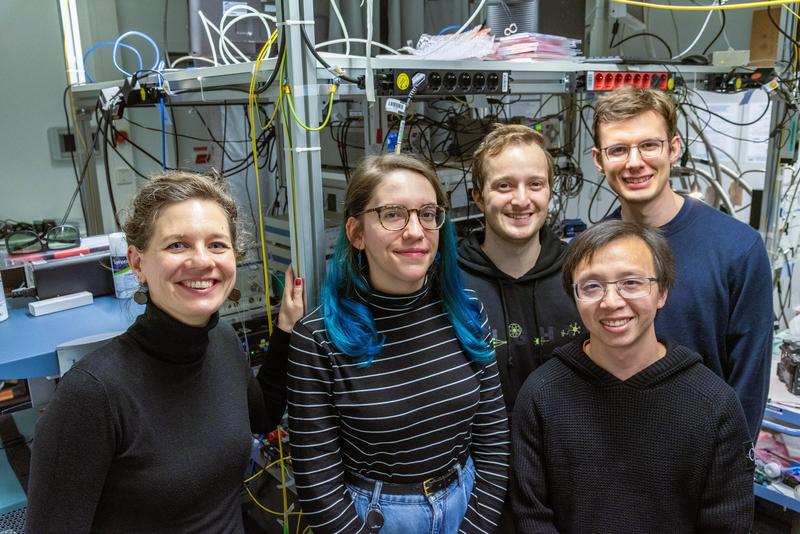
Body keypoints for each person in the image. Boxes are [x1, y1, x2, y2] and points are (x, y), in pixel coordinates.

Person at [26, 171, 304, 532]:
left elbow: (262, 417)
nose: (202, 261)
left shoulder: (221, 339)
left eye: (217, 245)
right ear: (138, 263)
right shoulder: (92, 394)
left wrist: (284, 332)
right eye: (177, 245)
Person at [287, 153, 510, 534]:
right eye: (393, 214)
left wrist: (474, 528)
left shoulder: (469, 311)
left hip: (465, 500)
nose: (415, 230)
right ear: (357, 234)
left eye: (427, 213)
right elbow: (317, 484)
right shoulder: (317, 338)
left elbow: (493, 442)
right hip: (375, 519)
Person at [512, 220, 755, 533]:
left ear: (662, 292)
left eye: (631, 283)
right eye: (591, 286)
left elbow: (727, 524)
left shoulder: (715, 405)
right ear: (574, 297)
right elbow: (531, 517)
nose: (612, 302)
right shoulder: (541, 395)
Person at [592, 86, 773, 440]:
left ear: (673, 148)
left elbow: (749, 383)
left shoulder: (737, 249)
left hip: (705, 461)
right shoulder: (592, 253)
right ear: (599, 160)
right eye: (618, 149)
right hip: (615, 453)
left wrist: (731, 470)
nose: (634, 162)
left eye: (649, 145)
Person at [459, 124, 582, 417]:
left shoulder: (582, 275)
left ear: (550, 190)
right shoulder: (448, 282)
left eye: (535, 184)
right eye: (504, 185)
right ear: (477, 195)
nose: (521, 200)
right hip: (480, 459)